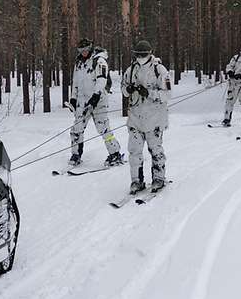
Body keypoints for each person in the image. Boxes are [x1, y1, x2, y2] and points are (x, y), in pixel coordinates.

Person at [121, 40, 172, 194]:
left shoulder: (160, 70)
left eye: (143, 54)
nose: (141, 57)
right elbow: (123, 89)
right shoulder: (130, 71)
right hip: (136, 118)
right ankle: (137, 181)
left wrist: (149, 93)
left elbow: (168, 94)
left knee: (155, 150)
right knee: (134, 151)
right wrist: (128, 89)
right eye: (138, 55)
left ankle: (158, 178)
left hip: (155, 118)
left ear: (150, 53)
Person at [68, 38, 123, 167]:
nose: (84, 52)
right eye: (81, 50)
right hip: (82, 101)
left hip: (98, 101)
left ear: (90, 48)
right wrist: (73, 97)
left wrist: (96, 95)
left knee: (103, 128)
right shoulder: (79, 63)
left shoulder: (99, 61)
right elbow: (75, 81)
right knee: (76, 129)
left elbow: (102, 80)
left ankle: (115, 153)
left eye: (86, 50)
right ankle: (76, 154)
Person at [221, 45, 241, 127]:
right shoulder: (236, 57)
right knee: (230, 101)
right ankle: (226, 119)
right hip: (233, 84)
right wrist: (230, 72)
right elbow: (229, 66)